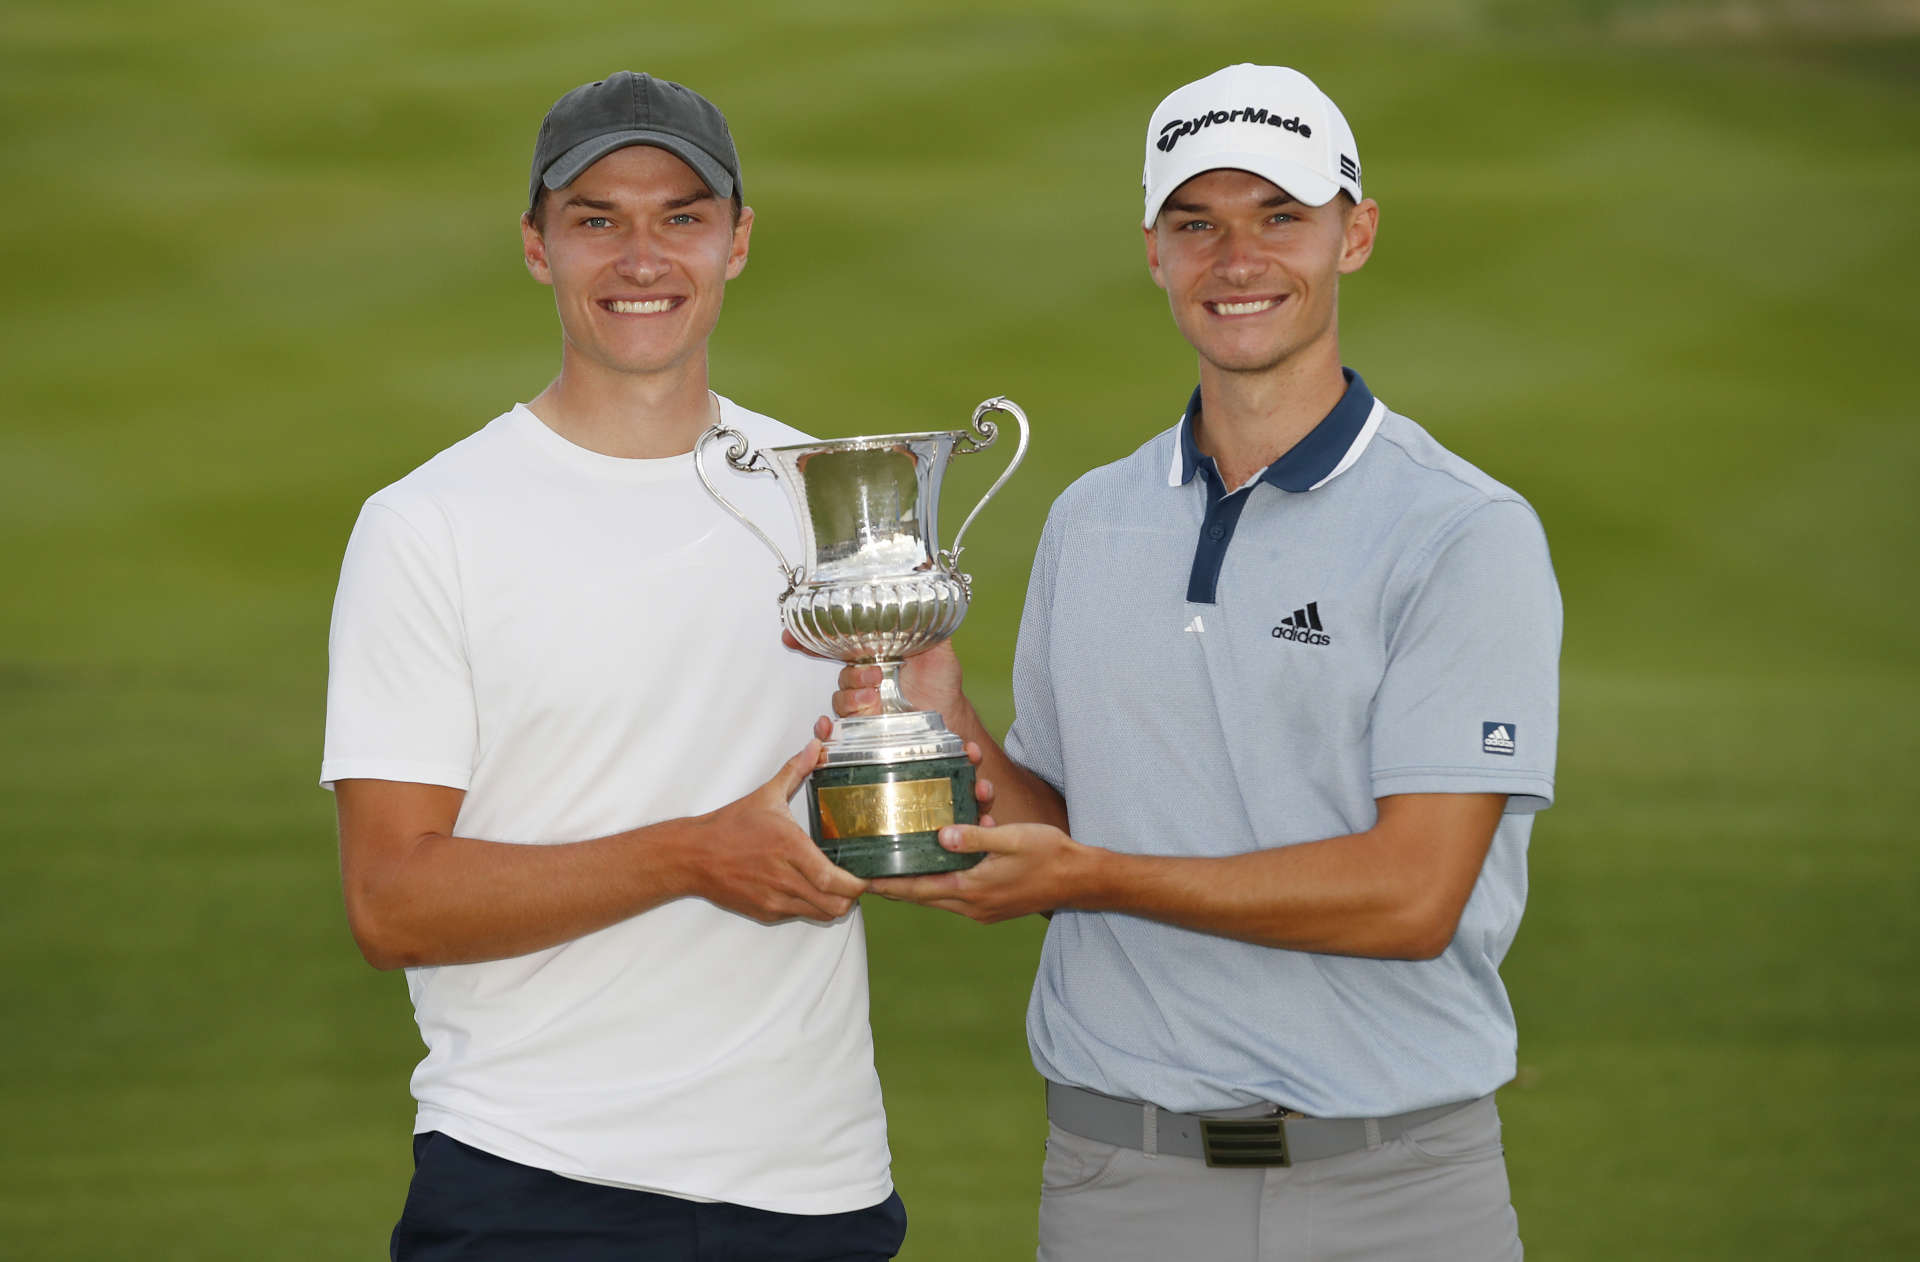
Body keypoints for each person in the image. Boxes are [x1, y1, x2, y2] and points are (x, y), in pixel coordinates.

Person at [830, 63, 1562, 1260]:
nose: (1238, 259)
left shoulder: (1462, 530)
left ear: (1355, 234)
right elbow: (1059, 818)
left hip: (1398, 1187)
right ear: (1154, 251)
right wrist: (949, 720)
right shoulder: (1091, 518)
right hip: (1125, 1179)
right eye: (1197, 223)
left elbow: (1412, 892)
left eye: (1282, 216)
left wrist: (1093, 876)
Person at [322, 71, 908, 1261]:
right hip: (537, 1180)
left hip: (817, 1183)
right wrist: (695, 855)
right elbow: (391, 900)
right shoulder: (427, 522)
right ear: (538, 246)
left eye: (681, 216)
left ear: (738, 241)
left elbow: (929, 817)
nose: (643, 256)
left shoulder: (830, 498)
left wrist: (925, 723)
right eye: (598, 219)